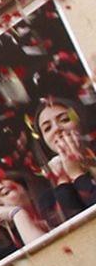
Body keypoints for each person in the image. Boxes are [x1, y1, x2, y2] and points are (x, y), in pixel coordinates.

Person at [34, 96, 96, 225]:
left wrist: (77, 174)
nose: (57, 129)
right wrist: (63, 181)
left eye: (65, 119)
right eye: (47, 128)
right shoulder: (48, 196)